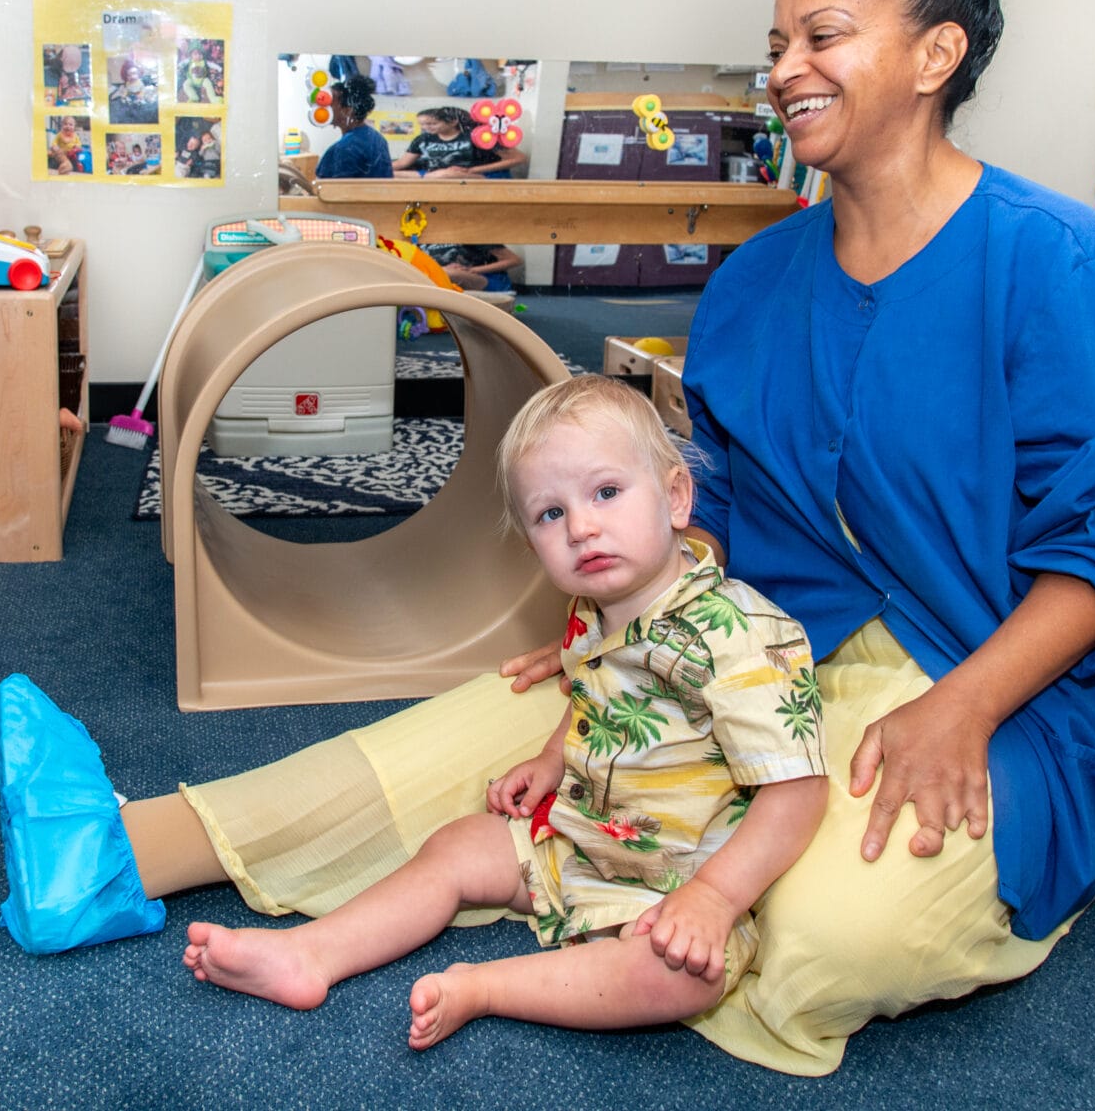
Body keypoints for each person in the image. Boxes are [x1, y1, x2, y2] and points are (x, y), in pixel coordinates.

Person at [0, 0, 1095, 1076]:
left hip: (980, 676)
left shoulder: (1056, 264)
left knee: (833, 941)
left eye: (822, 37)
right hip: (756, 635)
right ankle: (114, 851)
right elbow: (713, 502)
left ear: (935, 56)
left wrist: (964, 707)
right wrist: (621, 618)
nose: (784, 68)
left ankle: (621, 914)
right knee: (507, 717)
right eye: (775, 41)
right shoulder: (757, 282)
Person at [180, 377, 827, 1049]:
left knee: (683, 978)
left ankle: (487, 988)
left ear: (674, 497)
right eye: (551, 514)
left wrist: (716, 899)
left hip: (677, 886)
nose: (582, 526)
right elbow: (592, 695)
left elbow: (798, 789)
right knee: (458, 847)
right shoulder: (591, 611)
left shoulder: (743, 635)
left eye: (607, 492)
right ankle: (311, 952)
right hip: (576, 841)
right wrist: (551, 760)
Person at [393, 106, 524, 179]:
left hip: (478, 176)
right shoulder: (423, 139)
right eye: (423, 125)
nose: (427, 128)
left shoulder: (478, 135)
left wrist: (471, 170)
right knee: (388, 174)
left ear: (453, 122)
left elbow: (518, 158)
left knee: (443, 175)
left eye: (432, 123)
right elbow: (402, 163)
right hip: (433, 175)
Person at [313, 75, 393, 181]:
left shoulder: (343, 148)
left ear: (348, 110)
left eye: (330, 103)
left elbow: (325, 192)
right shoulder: (377, 138)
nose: (323, 107)